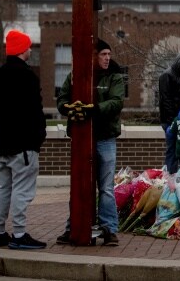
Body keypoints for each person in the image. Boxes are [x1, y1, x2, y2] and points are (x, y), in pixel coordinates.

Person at [56, 38, 124, 246]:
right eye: (103, 54)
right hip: (81, 138)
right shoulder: (76, 76)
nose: (107, 58)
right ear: (93, 56)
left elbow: (116, 102)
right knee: (79, 185)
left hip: (105, 138)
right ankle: (73, 227)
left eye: (108, 55)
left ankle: (109, 229)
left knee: (105, 187)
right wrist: (70, 109)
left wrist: (95, 109)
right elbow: (62, 100)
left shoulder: (114, 77)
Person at [0, 29, 47, 249]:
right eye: (29, 46)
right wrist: (38, 136)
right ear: (22, 49)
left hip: (2, 144)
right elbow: (34, 110)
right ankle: (19, 234)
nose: (31, 49)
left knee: (3, 188)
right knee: (22, 190)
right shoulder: (27, 75)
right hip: (23, 146)